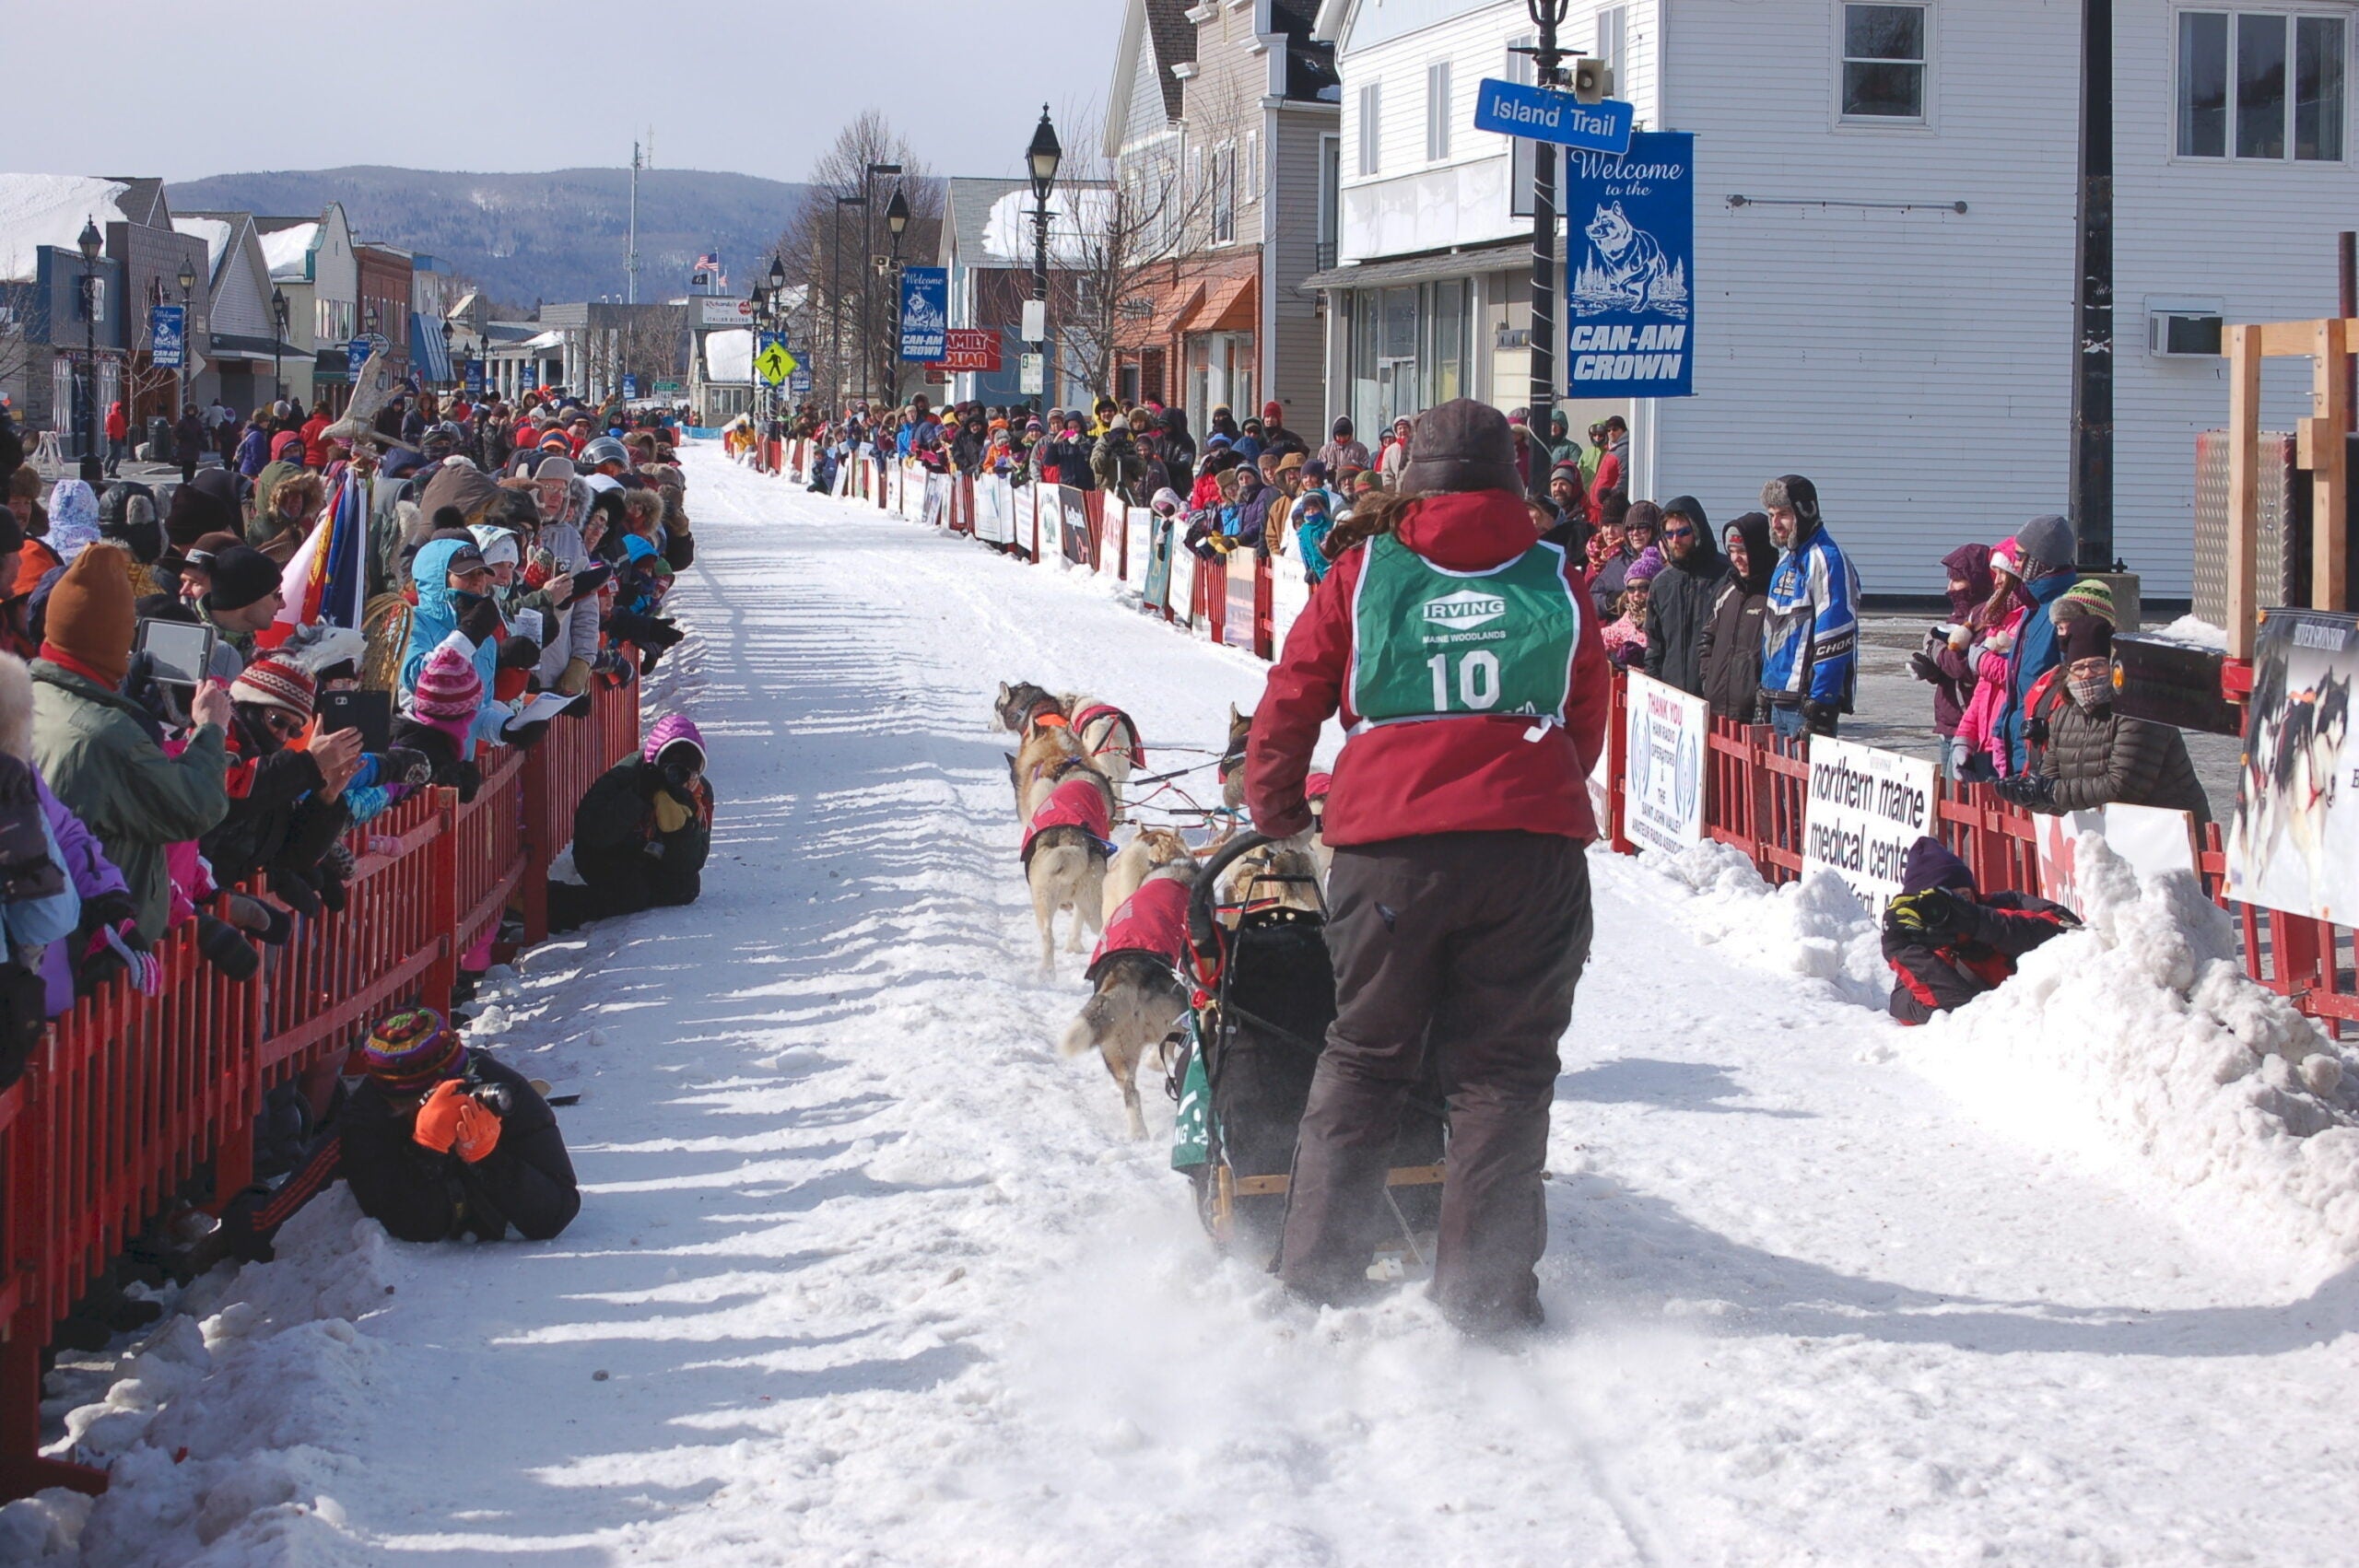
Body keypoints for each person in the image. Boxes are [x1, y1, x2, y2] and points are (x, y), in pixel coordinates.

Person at [1244, 398, 1609, 1333]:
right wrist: (1528, 786)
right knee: (1503, 1075)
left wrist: (1279, 804)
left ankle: (1318, 1273)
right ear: (1510, 480)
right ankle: (1483, 1296)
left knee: (1365, 1056)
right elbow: (1585, 718)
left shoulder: (1365, 571)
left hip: (1388, 851)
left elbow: (1294, 691)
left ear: (1411, 477)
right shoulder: (1555, 578)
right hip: (1530, 856)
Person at [208, 1008, 581, 1258]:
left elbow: (557, 1212)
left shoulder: (500, 1089)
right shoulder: (368, 1119)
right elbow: (416, 1225)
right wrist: (427, 1149)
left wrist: (491, 1158)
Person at [29, 549, 231, 942]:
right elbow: (196, 807)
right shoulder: (104, 735)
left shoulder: (29, 699)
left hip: (48, 934)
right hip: (101, 944)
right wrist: (210, 730)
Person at [1998, 587, 2212, 823]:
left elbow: (2123, 786)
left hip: (2168, 837)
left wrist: (2047, 791)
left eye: (2097, 665)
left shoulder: (2141, 710)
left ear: (2113, 666)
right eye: (2079, 668)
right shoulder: (2063, 716)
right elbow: (2053, 788)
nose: (2088, 674)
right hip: (2115, 837)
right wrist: (2029, 794)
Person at [1882, 837, 2076, 1025]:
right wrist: (1900, 950)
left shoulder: (2003, 905)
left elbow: (2072, 931)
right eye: (1942, 902)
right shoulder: (1924, 944)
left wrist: (1979, 922)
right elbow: (1959, 1009)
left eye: (1963, 896)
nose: (1955, 906)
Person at [554, 715, 712, 929]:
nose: (681, 779)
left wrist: (683, 826)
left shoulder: (699, 794)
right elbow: (594, 834)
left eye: (690, 773)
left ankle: (638, 892)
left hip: (651, 856)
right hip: (607, 854)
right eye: (673, 769)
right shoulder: (626, 776)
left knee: (685, 888)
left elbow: (691, 863)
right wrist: (638, 796)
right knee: (630, 894)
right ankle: (553, 903)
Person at [1758, 474, 1860, 739]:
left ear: (1805, 512)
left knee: (1801, 781)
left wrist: (1823, 703)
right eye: (1771, 515)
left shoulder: (1827, 559)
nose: (1775, 523)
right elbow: (1771, 633)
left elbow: (1836, 633)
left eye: (1783, 514)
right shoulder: (1784, 562)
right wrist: (1763, 687)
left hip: (1805, 705)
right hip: (1777, 698)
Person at [1994, 513, 2077, 776]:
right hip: (2020, 745)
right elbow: (2019, 682)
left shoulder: (2063, 610)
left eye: (2020, 557)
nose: (2015, 564)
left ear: (2039, 561)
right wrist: (2000, 729)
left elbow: (2067, 687)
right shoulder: (2033, 606)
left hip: (2042, 752)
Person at [1911, 543, 1995, 778]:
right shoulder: (1958, 617)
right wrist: (1932, 669)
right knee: (1949, 797)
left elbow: (1965, 667)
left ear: (1975, 581)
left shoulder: (1986, 617)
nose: (1950, 588)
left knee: (1962, 796)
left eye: (1957, 580)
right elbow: (1951, 665)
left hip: (1971, 727)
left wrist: (1934, 649)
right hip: (1949, 721)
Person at [1642, 496, 1721, 696]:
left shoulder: (1726, 576)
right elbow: (1654, 646)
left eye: (1683, 532)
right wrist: (1653, 688)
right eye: (1669, 534)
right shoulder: (1662, 583)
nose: (1676, 540)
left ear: (1697, 531)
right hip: (1671, 699)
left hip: (1710, 696)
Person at [1700, 512, 1775, 722]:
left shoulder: (1775, 596)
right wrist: (1709, 678)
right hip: (1718, 709)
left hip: (1754, 714)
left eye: (1742, 551)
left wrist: (1763, 694)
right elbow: (1707, 639)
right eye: (1731, 552)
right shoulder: (1728, 592)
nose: (1736, 559)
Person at [103, 400, 128, 478]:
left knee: (118, 456)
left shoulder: (121, 417)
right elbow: (108, 427)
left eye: (120, 408)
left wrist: (124, 436)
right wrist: (110, 435)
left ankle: (112, 469)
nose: (119, 410)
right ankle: (105, 469)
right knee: (110, 454)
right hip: (113, 438)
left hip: (119, 438)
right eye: (118, 408)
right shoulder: (111, 416)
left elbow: (123, 427)